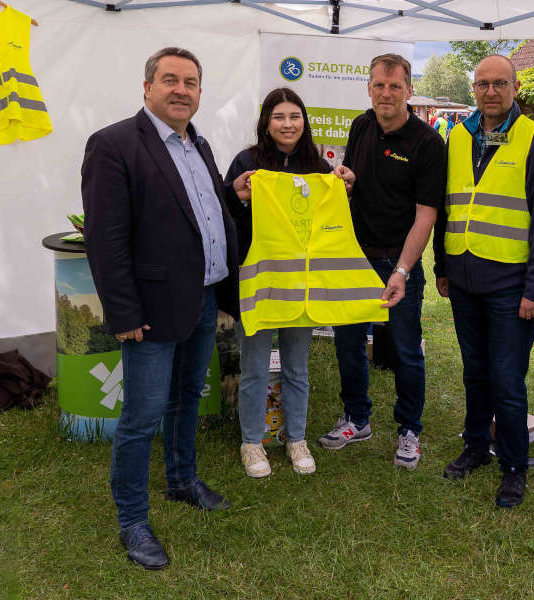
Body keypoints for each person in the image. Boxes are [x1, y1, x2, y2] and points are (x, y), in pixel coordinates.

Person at [81, 47, 240, 571]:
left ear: (199, 92)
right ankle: (132, 520)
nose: (181, 90)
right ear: (147, 87)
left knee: (187, 398)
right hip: (149, 309)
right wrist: (123, 313)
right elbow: (106, 240)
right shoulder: (114, 144)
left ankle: (181, 480)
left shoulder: (201, 145)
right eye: (170, 80)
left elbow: (203, 215)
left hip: (202, 298)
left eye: (191, 82)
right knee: (141, 416)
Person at [433, 54, 534, 508]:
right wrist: (441, 267)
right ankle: (475, 446)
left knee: (508, 379)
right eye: (482, 84)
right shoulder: (457, 136)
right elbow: (445, 203)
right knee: (475, 372)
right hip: (463, 276)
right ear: (474, 89)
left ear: (515, 86)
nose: (490, 92)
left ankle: (513, 465)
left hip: (510, 284)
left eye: (499, 83)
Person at [317, 53, 446, 470]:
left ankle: (409, 430)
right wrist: (347, 180)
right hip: (354, 257)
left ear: (410, 90)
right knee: (348, 343)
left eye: (395, 86)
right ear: (369, 88)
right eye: (379, 86)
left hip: (397, 259)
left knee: (406, 350)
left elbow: (426, 214)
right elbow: (353, 178)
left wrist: (403, 272)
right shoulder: (361, 125)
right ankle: (357, 418)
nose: (386, 93)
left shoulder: (427, 143)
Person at [222, 87, 355, 478]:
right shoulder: (246, 162)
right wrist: (238, 196)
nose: (287, 124)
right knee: (255, 368)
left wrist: (346, 190)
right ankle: (251, 442)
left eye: (294, 116)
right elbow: (227, 214)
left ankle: (296, 438)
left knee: (297, 368)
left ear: (304, 121)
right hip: (259, 283)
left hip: (301, 286)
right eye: (279, 116)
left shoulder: (317, 166)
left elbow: (328, 225)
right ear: (266, 122)